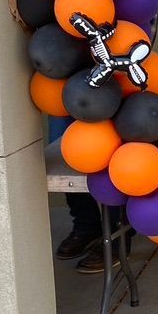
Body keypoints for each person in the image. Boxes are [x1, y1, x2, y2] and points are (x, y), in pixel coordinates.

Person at [48, 116, 118, 274]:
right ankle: (87, 226)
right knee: (66, 155)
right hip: (66, 96)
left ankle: (116, 238)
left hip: (109, 94)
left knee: (112, 156)